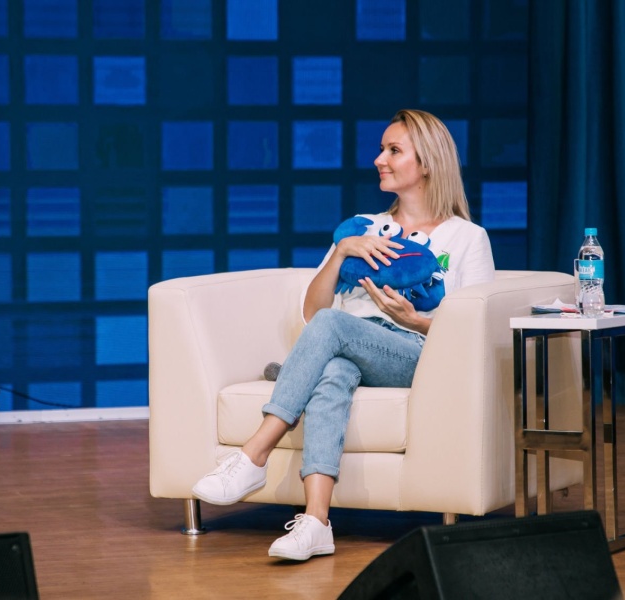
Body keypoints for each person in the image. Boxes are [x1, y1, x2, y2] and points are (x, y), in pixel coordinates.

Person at [191, 109, 496, 561]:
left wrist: (414, 319)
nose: (379, 159)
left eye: (394, 150)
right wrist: (340, 253)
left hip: (417, 352)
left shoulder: (467, 238)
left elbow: (477, 330)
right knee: (333, 370)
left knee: (335, 329)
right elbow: (313, 313)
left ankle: (254, 453)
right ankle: (316, 521)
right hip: (347, 345)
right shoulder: (361, 227)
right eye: (381, 149)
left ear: (428, 163)